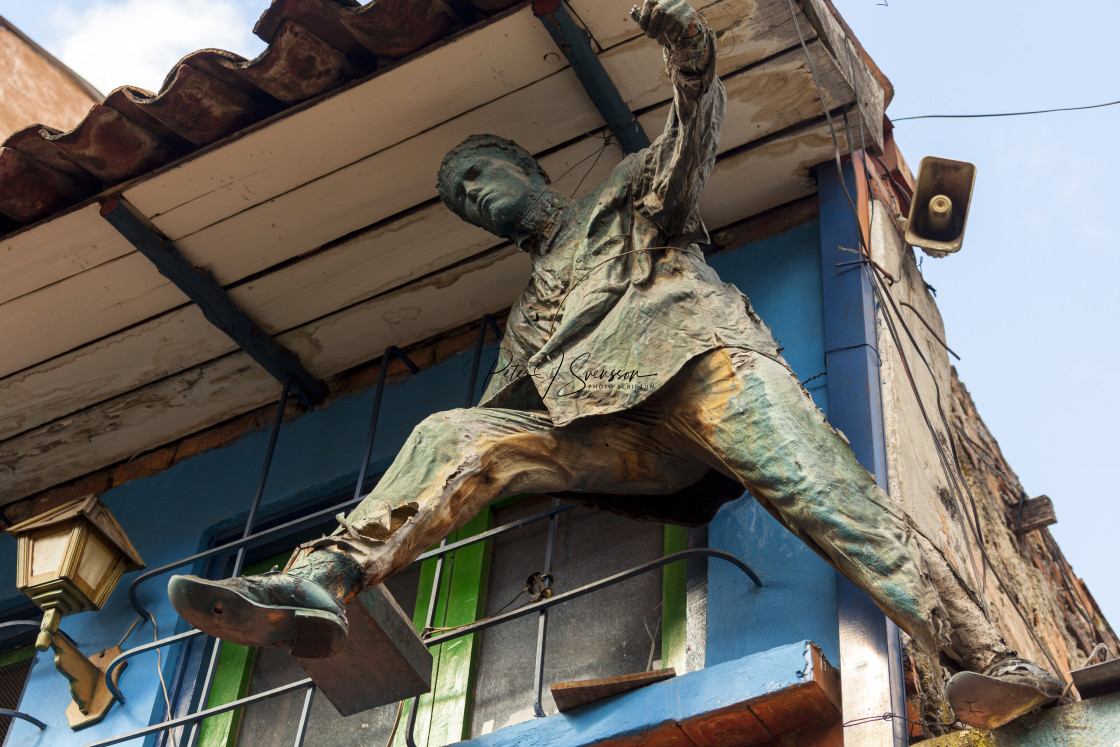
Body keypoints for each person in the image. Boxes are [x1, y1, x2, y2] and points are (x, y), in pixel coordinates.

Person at [169, 0, 1061, 729]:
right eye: (463, 200)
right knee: (454, 430)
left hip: (703, 368)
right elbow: (467, 453)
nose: (476, 199)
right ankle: (321, 579)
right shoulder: (525, 322)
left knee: (832, 497)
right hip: (620, 436)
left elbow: (688, 152)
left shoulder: (619, 196)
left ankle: (985, 655)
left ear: (528, 172)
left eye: (482, 177)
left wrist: (694, 64)